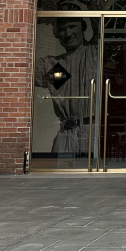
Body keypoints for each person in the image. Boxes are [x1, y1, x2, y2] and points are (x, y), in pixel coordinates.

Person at [34, 12, 98, 157]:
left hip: (92, 132)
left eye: (72, 26)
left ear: (83, 27)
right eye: (62, 29)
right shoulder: (54, 65)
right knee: (58, 174)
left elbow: (101, 21)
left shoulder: (94, 52)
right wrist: (34, 17)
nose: (68, 34)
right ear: (56, 33)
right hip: (65, 134)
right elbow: (20, 67)